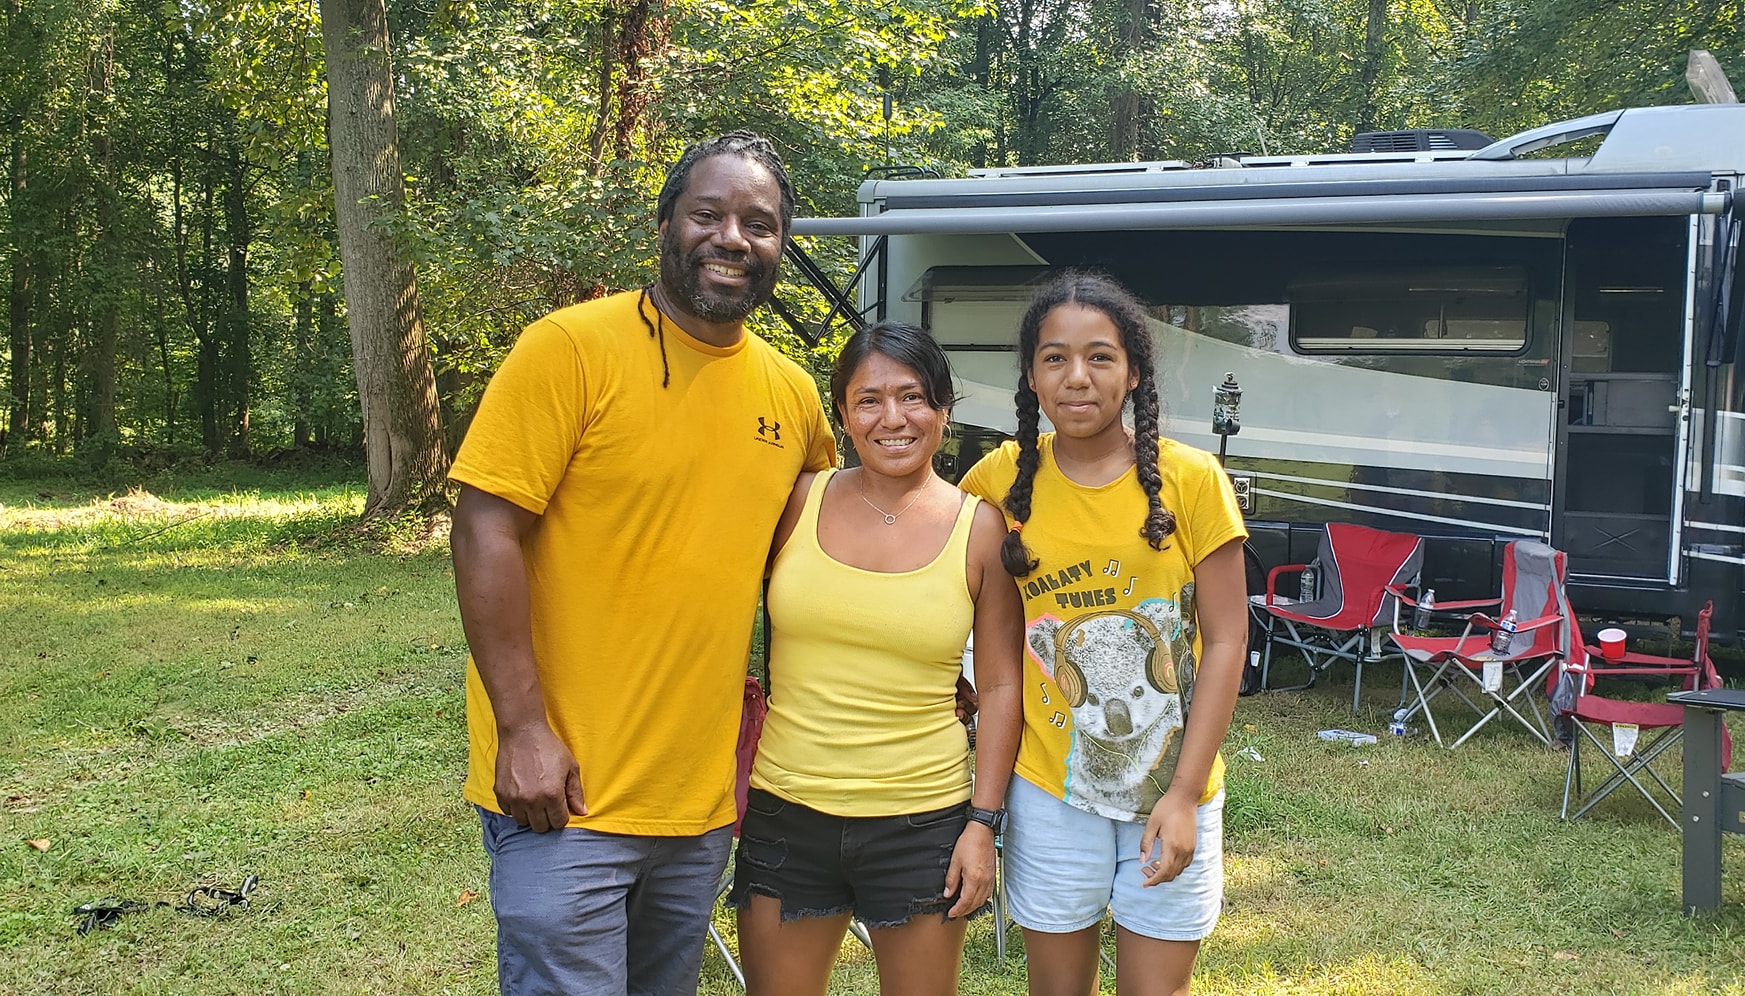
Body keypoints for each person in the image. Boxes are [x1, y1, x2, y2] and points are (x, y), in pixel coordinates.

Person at [449, 131, 835, 996]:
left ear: (780, 247)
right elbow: (483, 530)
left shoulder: (793, 397)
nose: (733, 237)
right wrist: (521, 730)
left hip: (700, 803)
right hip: (566, 794)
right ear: (665, 223)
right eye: (709, 213)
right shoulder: (570, 349)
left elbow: (821, 558)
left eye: (760, 223)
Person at [959, 272, 1248, 996]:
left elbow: (1228, 641)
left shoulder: (1193, 480)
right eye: (1054, 358)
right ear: (1031, 375)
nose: (1076, 377)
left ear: (1134, 371)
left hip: (1172, 789)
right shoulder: (995, 482)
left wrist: (1183, 795)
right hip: (1049, 791)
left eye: (1100, 357)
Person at [732, 322, 1025, 996]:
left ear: (944, 410)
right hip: (786, 811)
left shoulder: (978, 527)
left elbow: (1004, 686)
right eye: (868, 400)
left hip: (923, 822)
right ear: (841, 414)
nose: (893, 418)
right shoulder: (799, 501)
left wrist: (983, 824)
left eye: (913, 397)